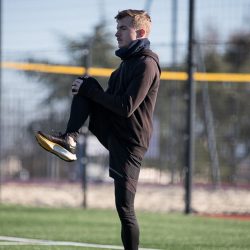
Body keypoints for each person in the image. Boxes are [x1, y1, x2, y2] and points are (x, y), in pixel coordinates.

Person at [35, 9, 161, 250]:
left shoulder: (147, 64)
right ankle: (69, 140)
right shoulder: (125, 65)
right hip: (114, 128)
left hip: (130, 143)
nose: (117, 33)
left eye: (123, 28)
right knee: (87, 82)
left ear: (141, 32)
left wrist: (90, 93)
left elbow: (126, 107)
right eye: (117, 28)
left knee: (125, 209)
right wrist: (87, 91)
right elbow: (106, 101)